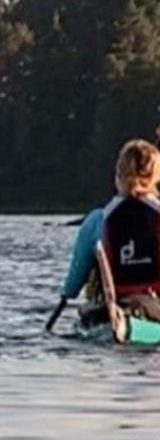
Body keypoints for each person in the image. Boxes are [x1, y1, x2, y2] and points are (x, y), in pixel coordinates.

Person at [59, 138, 160, 339]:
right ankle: (126, 324)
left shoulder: (96, 220)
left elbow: (73, 284)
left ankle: (116, 319)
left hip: (106, 309)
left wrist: (66, 296)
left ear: (117, 177)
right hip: (151, 308)